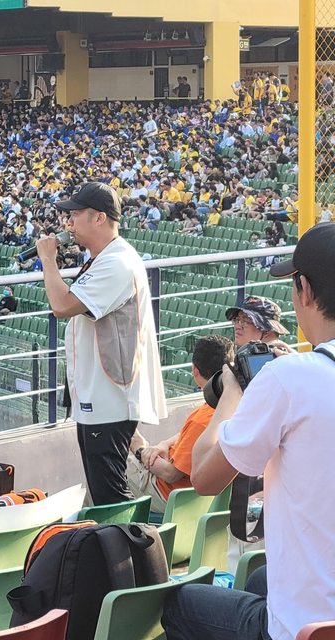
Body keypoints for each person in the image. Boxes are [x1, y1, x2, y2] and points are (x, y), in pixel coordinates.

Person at [162, 222, 335, 639]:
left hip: (303, 628)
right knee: (258, 579)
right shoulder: (295, 374)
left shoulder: (289, 378)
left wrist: (232, 393)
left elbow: (204, 478)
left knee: (178, 604)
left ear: (305, 290)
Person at [35, 182, 167, 505]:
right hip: (97, 395)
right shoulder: (103, 258)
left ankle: (137, 540)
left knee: (111, 495)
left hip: (110, 396)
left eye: (76, 214)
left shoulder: (117, 262)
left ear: (99, 218)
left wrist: (48, 261)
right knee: (104, 491)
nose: (69, 223)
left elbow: (62, 305)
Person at [126, 335, 234, 513]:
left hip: (170, 495)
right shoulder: (231, 406)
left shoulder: (202, 419)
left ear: (194, 370)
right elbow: (191, 437)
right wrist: (163, 444)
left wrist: (139, 450)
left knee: (110, 471)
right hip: (197, 495)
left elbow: (171, 474)